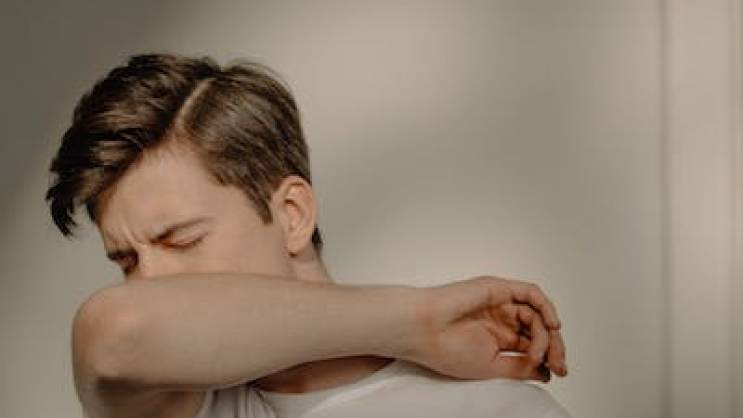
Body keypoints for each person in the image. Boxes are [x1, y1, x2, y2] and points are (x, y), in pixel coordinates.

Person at [46, 53, 570, 418]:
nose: (148, 283)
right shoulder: (172, 403)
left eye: (181, 241)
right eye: (127, 262)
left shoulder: (493, 409)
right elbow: (115, 331)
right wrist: (418, 321)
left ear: (293, 214)